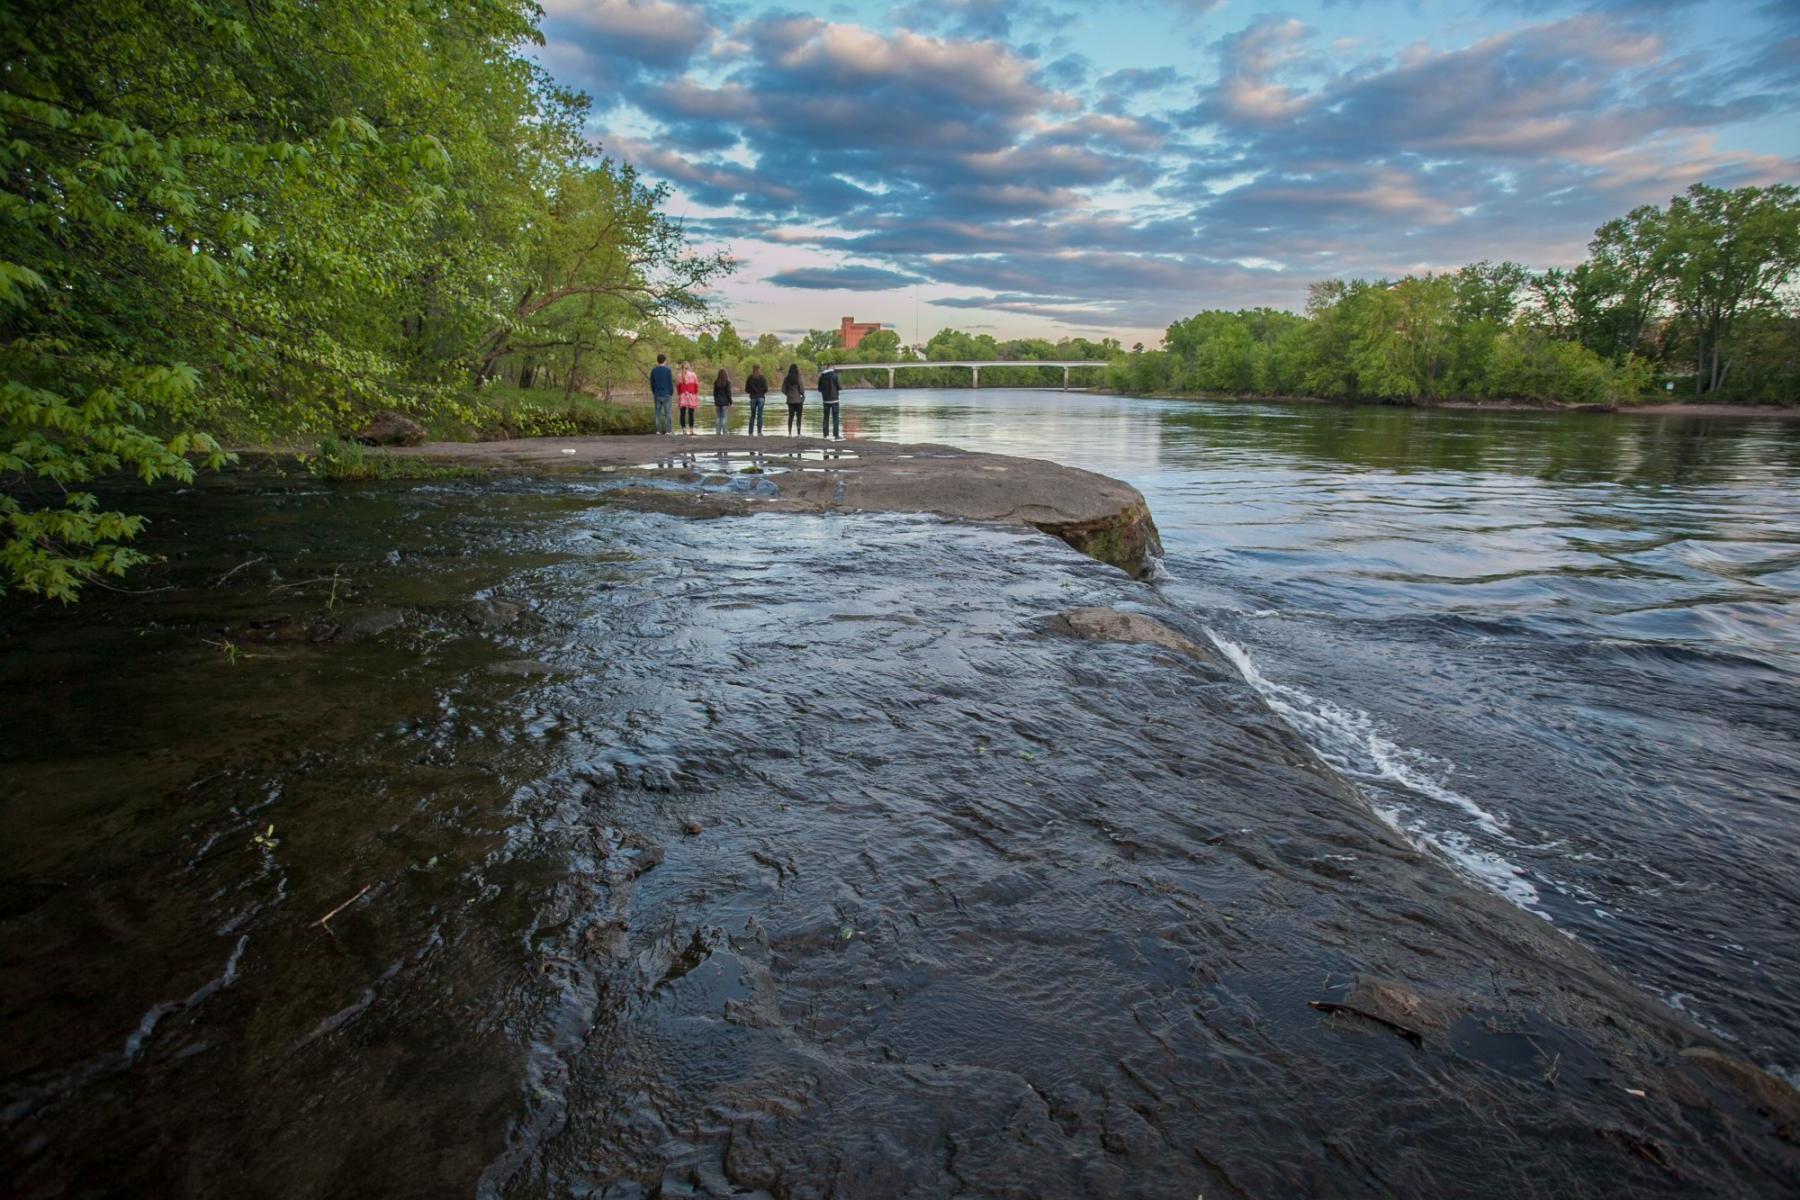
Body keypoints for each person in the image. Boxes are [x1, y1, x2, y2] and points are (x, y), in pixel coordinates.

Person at [649, 354, 674, 435]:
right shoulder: (668, 371)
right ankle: (668, 431)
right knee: (667, 414)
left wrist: (654, 392)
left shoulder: (653, 371)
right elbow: (670, 383)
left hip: (657, 394)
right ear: (665, 361)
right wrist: (671, 392)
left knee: (657, 414)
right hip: (666, 394)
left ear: (658, 361)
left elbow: (652, 384)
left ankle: (658, 431)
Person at [818, 364, 842, 439]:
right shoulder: (835, 375)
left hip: (825, 400)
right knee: (835, 418)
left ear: (826, 368)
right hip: (835, 400)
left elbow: (819, 389)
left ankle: (825, 435)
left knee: (825, 417)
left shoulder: (821, 377)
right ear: (832, 368)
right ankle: (836, 435)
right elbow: (839, 387)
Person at [744, 365, 768, 435]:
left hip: (753, 398)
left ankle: (750, 432)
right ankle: (759, 432)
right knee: (760, 415)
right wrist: (761, 392)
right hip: (761, 398)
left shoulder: (750, 378)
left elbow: (746, 389)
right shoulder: (762, 378)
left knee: (752, 415)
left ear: (753, 369)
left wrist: (751, 392)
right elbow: (766, 389)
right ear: (759, 369)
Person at [677, 362, 700, 434]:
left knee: (682, 413)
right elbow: (696, 385)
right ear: (689, 367)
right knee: (691, 413)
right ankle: (691, 430)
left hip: (683, 395)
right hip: (691, 395)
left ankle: (684, 430)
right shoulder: (693, 374)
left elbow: (678, 387)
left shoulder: (679, 375)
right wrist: (696, 394)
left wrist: (679, 395)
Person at [781, 364, 805, 435]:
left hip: (790, 400)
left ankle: (790, 433)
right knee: (799, 417)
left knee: (790, 417)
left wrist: (788, 394)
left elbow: (783, 389)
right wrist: (802, 395)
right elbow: (801, 388)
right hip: (798, 400)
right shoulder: (798, 377)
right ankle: (798, 433)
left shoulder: (786, 378)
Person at [712, 368, 733, 435]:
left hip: (718, 402)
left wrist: (715, 400)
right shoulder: (727, 382)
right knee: (724, 417)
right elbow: (728, 393)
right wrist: (730, 401)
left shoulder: (716, 382)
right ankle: (725, 431)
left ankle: (718, 432)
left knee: (718, 417)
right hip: (725, 402)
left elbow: (714, 393)